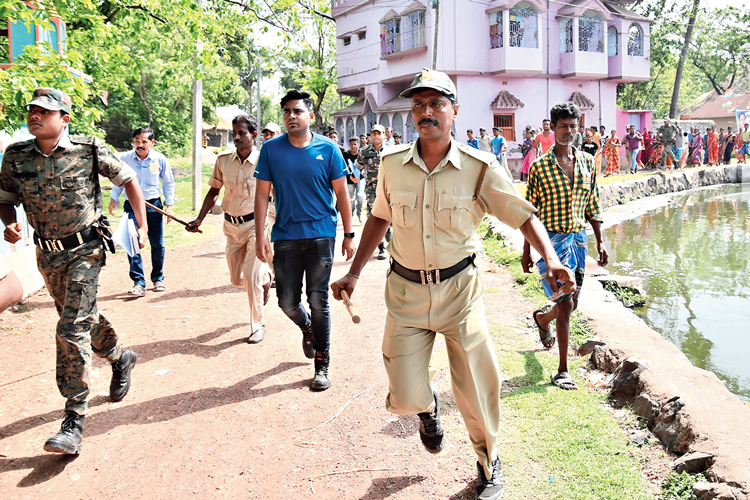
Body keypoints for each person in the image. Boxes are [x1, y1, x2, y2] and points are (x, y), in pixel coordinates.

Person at [330, 68, 574, 500]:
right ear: (411, 113)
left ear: (454, 112)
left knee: (478, 384)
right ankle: (427, 409)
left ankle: (488, 463)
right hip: (405, 292)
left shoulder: (480, 168)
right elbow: (379, 217)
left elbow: (523, 215)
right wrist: (354, 271)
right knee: (404, 394)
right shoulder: (391, 165)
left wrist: (551, 260)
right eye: (419, 104)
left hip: (459, 291)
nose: (427, 112)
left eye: (437, 103)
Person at [0, 87, 144, 454]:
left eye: (45, 112)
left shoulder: (88, 149)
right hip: (46, 255)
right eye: (32, 110)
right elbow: (5, 200)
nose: (35, 115)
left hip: (86, 249)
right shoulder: (15, 156)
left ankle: (73, 419)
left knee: (71, 327)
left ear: (64, 118)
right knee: (81, 317)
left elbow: (128, 178)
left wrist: (140, 226)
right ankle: (119, 356)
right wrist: (10, 224)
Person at [254, 89, 355, 391]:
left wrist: (348, 235)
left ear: (310, 115)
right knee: (286, 302)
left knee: (318, 300)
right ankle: (306, 326)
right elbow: (261, 195)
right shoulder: (271, 150)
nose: (291, 116)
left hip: (321, 235)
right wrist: (260, 234)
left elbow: (342, 195)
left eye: (297, 111)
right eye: (286, 111)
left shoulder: (329, 150)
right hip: (285, 235)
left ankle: (322, 364)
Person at [523, 101, 608, 392]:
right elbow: (528, 214)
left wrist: (601, 241)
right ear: (552, 127)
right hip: (551, 243)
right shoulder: (539, 168)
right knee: (565, 302)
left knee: (570, 304)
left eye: (573, 126)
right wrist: (526, 250)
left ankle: (542, 319)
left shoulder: (587, 162)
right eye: (563, 126)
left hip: (578, 240)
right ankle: (562, 370)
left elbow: (593, 204)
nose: (568, 131)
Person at [187, 114, 272, 344]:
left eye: (241, 133)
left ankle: (257, 325)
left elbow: (277, 195)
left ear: (254, 135)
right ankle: (267, 278)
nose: (236, 137)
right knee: (237, 280)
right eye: (234, 133)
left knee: (251, 276)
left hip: (257, 225)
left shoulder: (266, 161)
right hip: (231, 227)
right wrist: (199, 219)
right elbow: (214, 192)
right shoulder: (223, 160)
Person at [109, 127, 175, 297]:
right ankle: (138, 282)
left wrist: (169, 205)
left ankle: (158, 278)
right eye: (137, 141)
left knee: (157, 244)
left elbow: (168, 182)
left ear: (152, 143)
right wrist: (113, 199)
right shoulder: (124, 159)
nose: (140, 144)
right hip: (131, 206)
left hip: (153, 206)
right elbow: (118, 181)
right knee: (132, 242)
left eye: (144, 141)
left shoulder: (159, 159)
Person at [356, 124, 393, 260]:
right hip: (372, 189)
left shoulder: (391, 150)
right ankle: (381, 247)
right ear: (370, 136)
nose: (376, 136)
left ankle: (388, 229)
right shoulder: (364, 151)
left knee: (390, 214)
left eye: (379, 133)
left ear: (384, 135)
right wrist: (354, 175)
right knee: (374, 215)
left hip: (389, 189)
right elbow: (357, 167)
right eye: (374, 133)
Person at [343, 137, 361, 222]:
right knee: (351, 198)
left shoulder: (362, 153)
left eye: (355, 144)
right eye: (351, 144)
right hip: (349, 179)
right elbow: (343, 166)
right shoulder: (345, 154)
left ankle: (360, 213)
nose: (353, 146)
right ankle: (352, 214)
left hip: (361, 179)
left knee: (361, 195)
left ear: (358, 145)